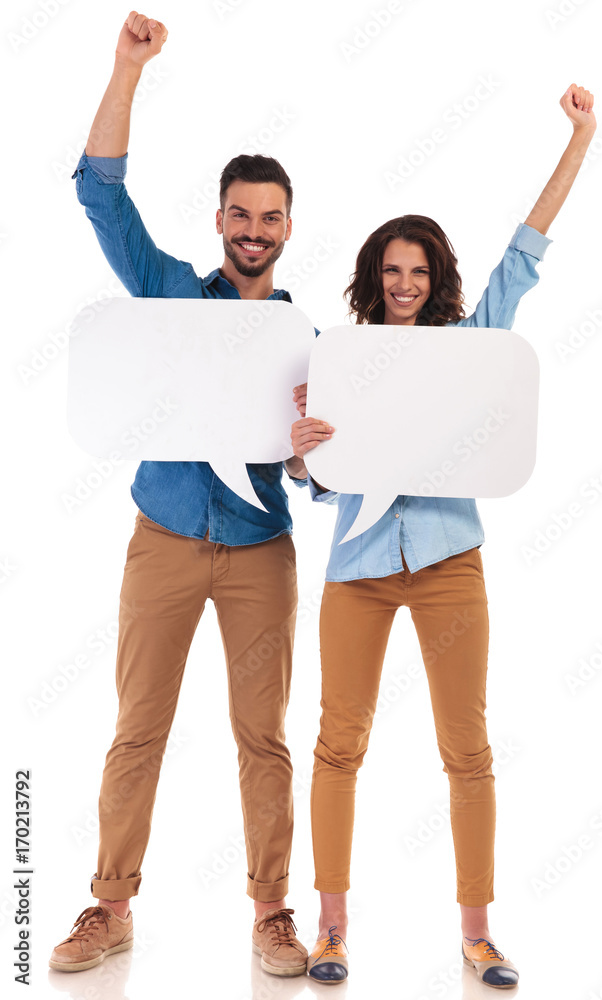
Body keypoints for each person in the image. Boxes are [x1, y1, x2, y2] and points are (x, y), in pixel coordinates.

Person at [288, 84, 596, 986]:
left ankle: (476, 933)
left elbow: (523, 254)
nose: (405, 284)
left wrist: (580, 139)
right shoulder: (339, 357)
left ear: (436, 280)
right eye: (392, 271)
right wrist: (302, 454)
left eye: (418, 271)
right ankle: (331, 929)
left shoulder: (472, 344)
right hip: (356, 567)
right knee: (337, 746)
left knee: (467, 750)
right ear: (372, 278)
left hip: (449, 564)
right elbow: (317, 479)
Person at [49, 12, 310, 976]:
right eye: (240, 214)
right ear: (220, 221)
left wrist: (310, 459)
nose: (253, 231)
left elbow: (321, 472)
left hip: (260, 551)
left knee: (262, 738)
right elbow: (100, 193)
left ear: (288, 228)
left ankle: (272, 912)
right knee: (138, 729)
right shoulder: (171, 294)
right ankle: (110, 907)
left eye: (269, 218)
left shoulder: (305, 342)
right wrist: (127, 69)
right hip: (161, 537)